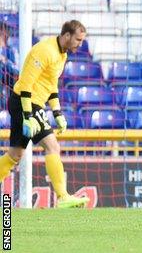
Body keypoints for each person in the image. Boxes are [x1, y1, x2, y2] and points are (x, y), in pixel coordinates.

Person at [0, 20, 89, 208]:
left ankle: (63, 197)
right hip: (26, 103)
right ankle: (63, 197)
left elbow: (51, 85)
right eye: (78, 40)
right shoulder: (44, 51)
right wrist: (28, 115)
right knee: (52, 146)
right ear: (66, 36)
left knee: (15, 155)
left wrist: (57, 112)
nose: (80, 45)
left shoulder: (62, 55)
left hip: (32, 104)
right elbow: (25, 84)